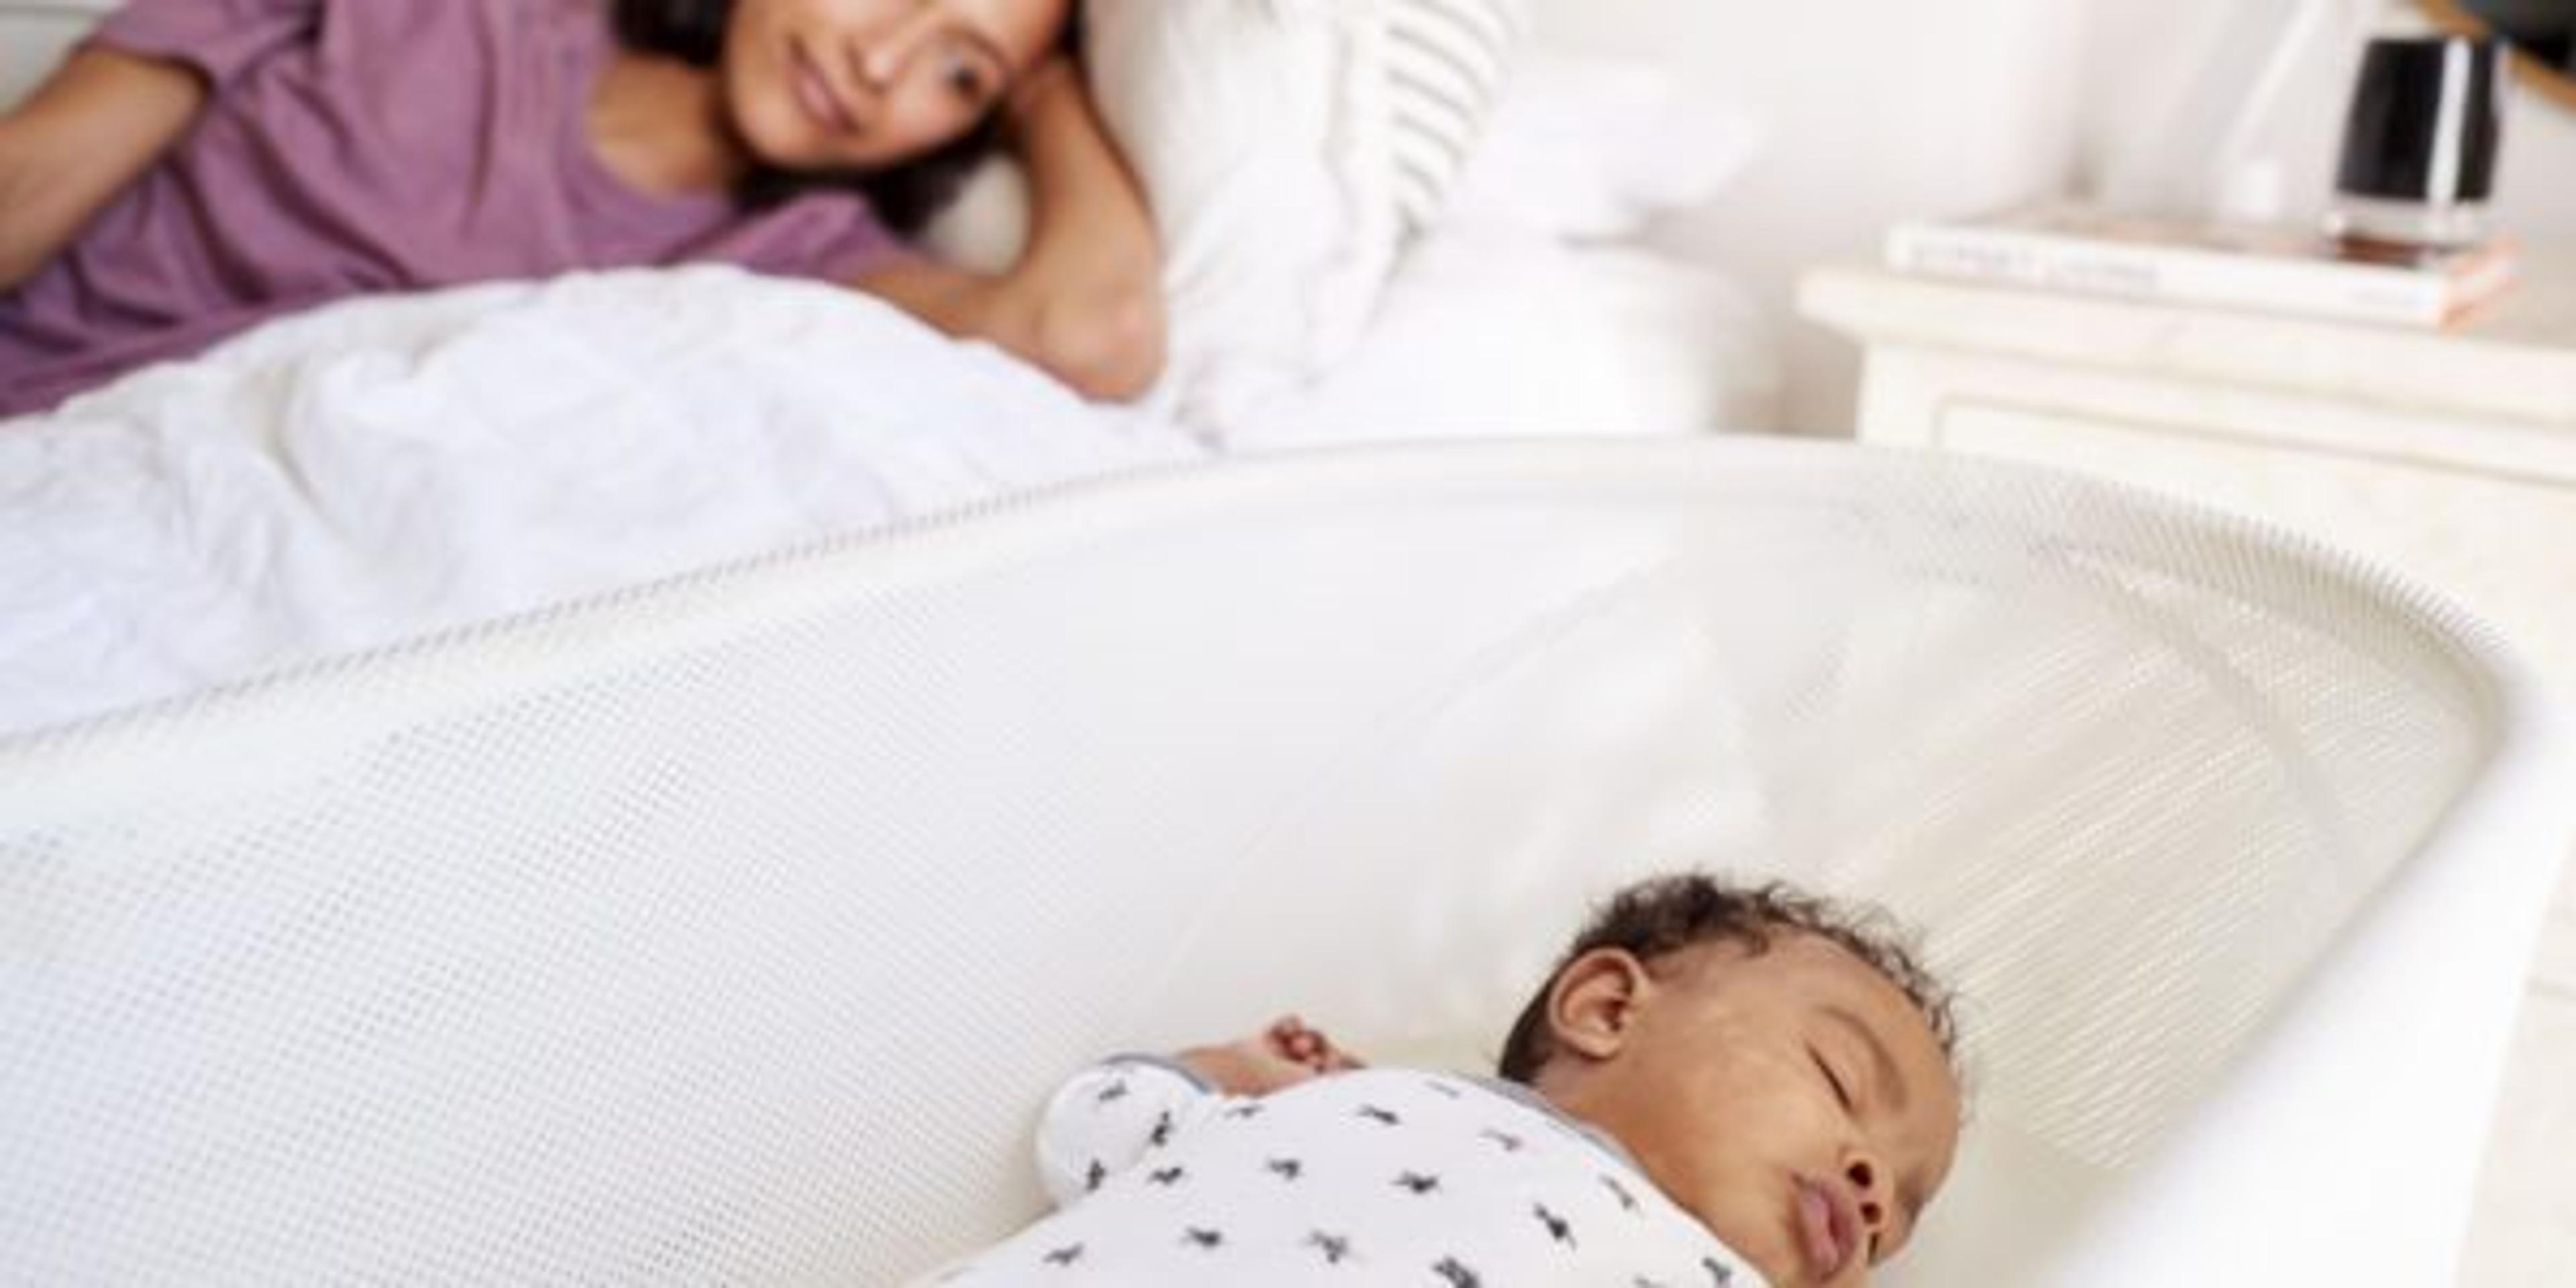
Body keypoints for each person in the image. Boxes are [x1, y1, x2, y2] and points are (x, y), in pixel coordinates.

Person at [0, 0, 1163, 419]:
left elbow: (1092, 335)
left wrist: (1051, 87)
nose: (882, 65)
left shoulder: (795, 265)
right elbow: (29, 177)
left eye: (956, 73)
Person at [913, 875, 1964, 1287]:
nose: (1874, 1187)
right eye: (1838, 1078)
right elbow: (1106, 1122)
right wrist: (1240, 1075)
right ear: (1606, 1009)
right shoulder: (1352, 1112)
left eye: (1896, 1225)